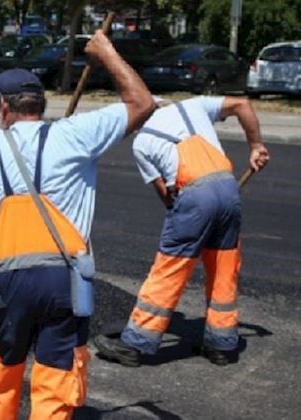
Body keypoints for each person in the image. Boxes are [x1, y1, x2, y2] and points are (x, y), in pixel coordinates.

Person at [0, 31, 155, 419]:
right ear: (41, 104)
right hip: (65, 279)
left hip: (7, 279)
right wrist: (107, 53)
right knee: (56, 375)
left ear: (2, 106)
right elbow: (142, 102)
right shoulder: (75, 134)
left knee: (3, 370)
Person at [94, 96, 270, 367]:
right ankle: (221, 344)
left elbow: (167, 196)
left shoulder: (142, 142)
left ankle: (135, 343)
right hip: (228, 188)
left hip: (195, 196)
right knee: (224, 267)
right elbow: (243, 104)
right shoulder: (193, 105)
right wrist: (256, 145)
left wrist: (187, 218)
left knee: (170, 268)